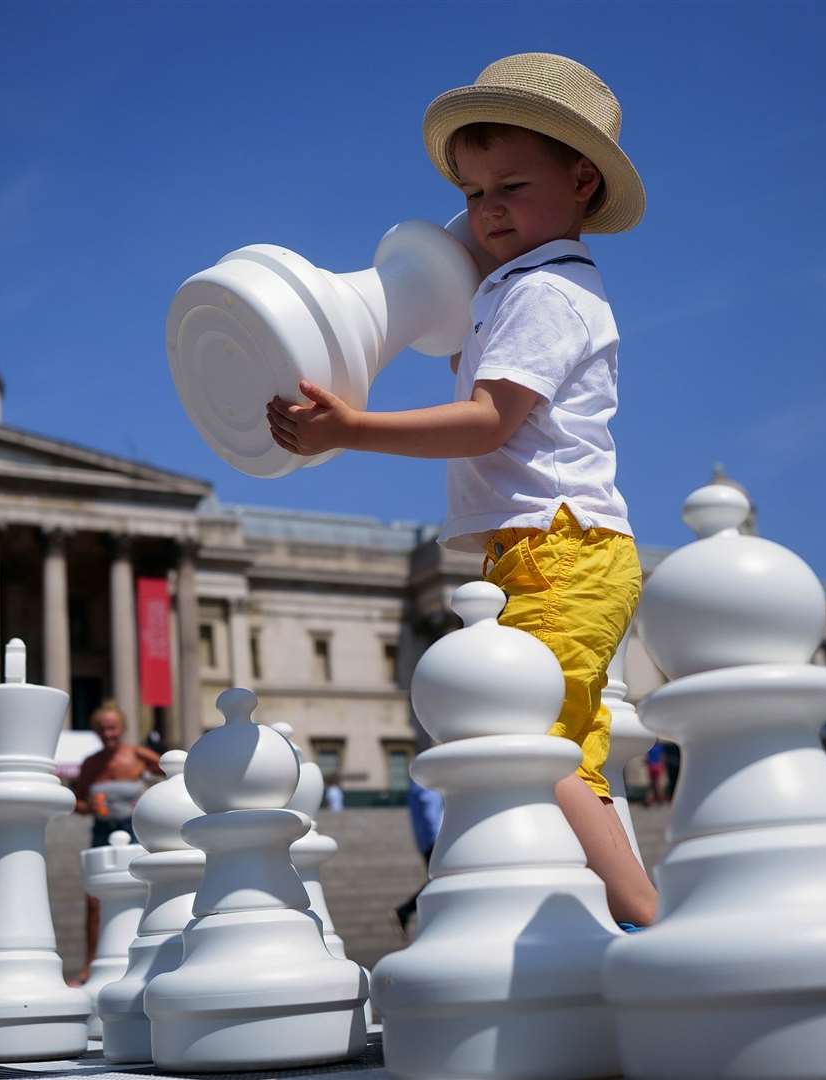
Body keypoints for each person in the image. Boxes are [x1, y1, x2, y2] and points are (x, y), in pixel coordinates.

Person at [266, 52, 657, 929]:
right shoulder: (514, 290)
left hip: (559, 546)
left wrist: (352, 429)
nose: (486, 212)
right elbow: (457, 322)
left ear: (583, 180)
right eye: (475, 194)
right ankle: (610, 925)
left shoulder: (547, 293)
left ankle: (652, 923)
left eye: (510, 187)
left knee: (523, 744)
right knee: (558, 756)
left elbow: (488, 420)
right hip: (545, 547)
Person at [68, 701, 161, 987]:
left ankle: (151, 959)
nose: (108, 734)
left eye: (112, 728)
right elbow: (76, 801)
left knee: (146, 892)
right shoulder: (91, 764)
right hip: (102, 830)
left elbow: (175, 773)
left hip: (135, 830)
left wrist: (153, 800)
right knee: (94, 900)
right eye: (102, 729)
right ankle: (89, 964)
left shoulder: (138, 755)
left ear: (122, 728)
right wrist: (91, 807)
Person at [394, 779, 444, 933]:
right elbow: (429, 808)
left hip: (425, 840)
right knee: (441, 880)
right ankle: (407, 910)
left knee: (438, 881)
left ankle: (408, 910)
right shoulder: (425, 780)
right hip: (434, 839)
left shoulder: (416, 783)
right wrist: (440, 837)